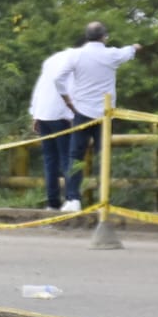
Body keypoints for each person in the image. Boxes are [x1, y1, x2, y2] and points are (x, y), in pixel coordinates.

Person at [52, 21, 142, 213]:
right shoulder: (111, 55)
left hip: (81, 112)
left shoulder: (76, 55)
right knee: (104, 157)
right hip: (105, 115)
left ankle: (73, 199)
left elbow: (58, 78)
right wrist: (135, 47)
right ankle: (104, 200)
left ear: (86, 36)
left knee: (75, 156)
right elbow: (129, 51)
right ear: (104, 37)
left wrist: (67, 100)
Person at [29, 44, 77, 210]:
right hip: (60, 114)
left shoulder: (51, 60)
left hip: (43, 114)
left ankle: (52, 202)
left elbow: (40, 88)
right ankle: (71, 198)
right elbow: (71, 89)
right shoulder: (76, 61)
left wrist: (35, 113)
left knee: (50, 161)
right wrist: (72, 114)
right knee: (67, 159)